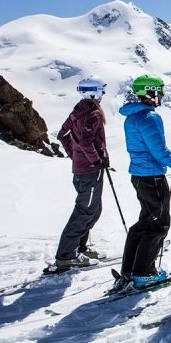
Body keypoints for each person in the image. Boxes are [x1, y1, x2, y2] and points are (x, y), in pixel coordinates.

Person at [112, 74, 171, 292]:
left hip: (140, 175)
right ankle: (144, 273)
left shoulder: (132, 117)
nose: (162, 96)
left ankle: (130, 269)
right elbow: (159, 153)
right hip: (153, 177)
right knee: (159, 224)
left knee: (145, 223)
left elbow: (149, 148)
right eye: (159, 91)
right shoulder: (150, 117)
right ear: (150, 92)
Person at [54, 76, 109, 269]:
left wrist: (74, 155)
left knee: (92, 210)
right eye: (101, 91)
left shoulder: (77, 111)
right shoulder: (93, 113)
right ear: (93, 93)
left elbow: (63, 135)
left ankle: (79, 248)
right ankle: (66, 255)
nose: (103, 95)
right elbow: (86, 141)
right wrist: (95, 160)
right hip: (90, 171)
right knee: (85, 211)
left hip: (81, 169)